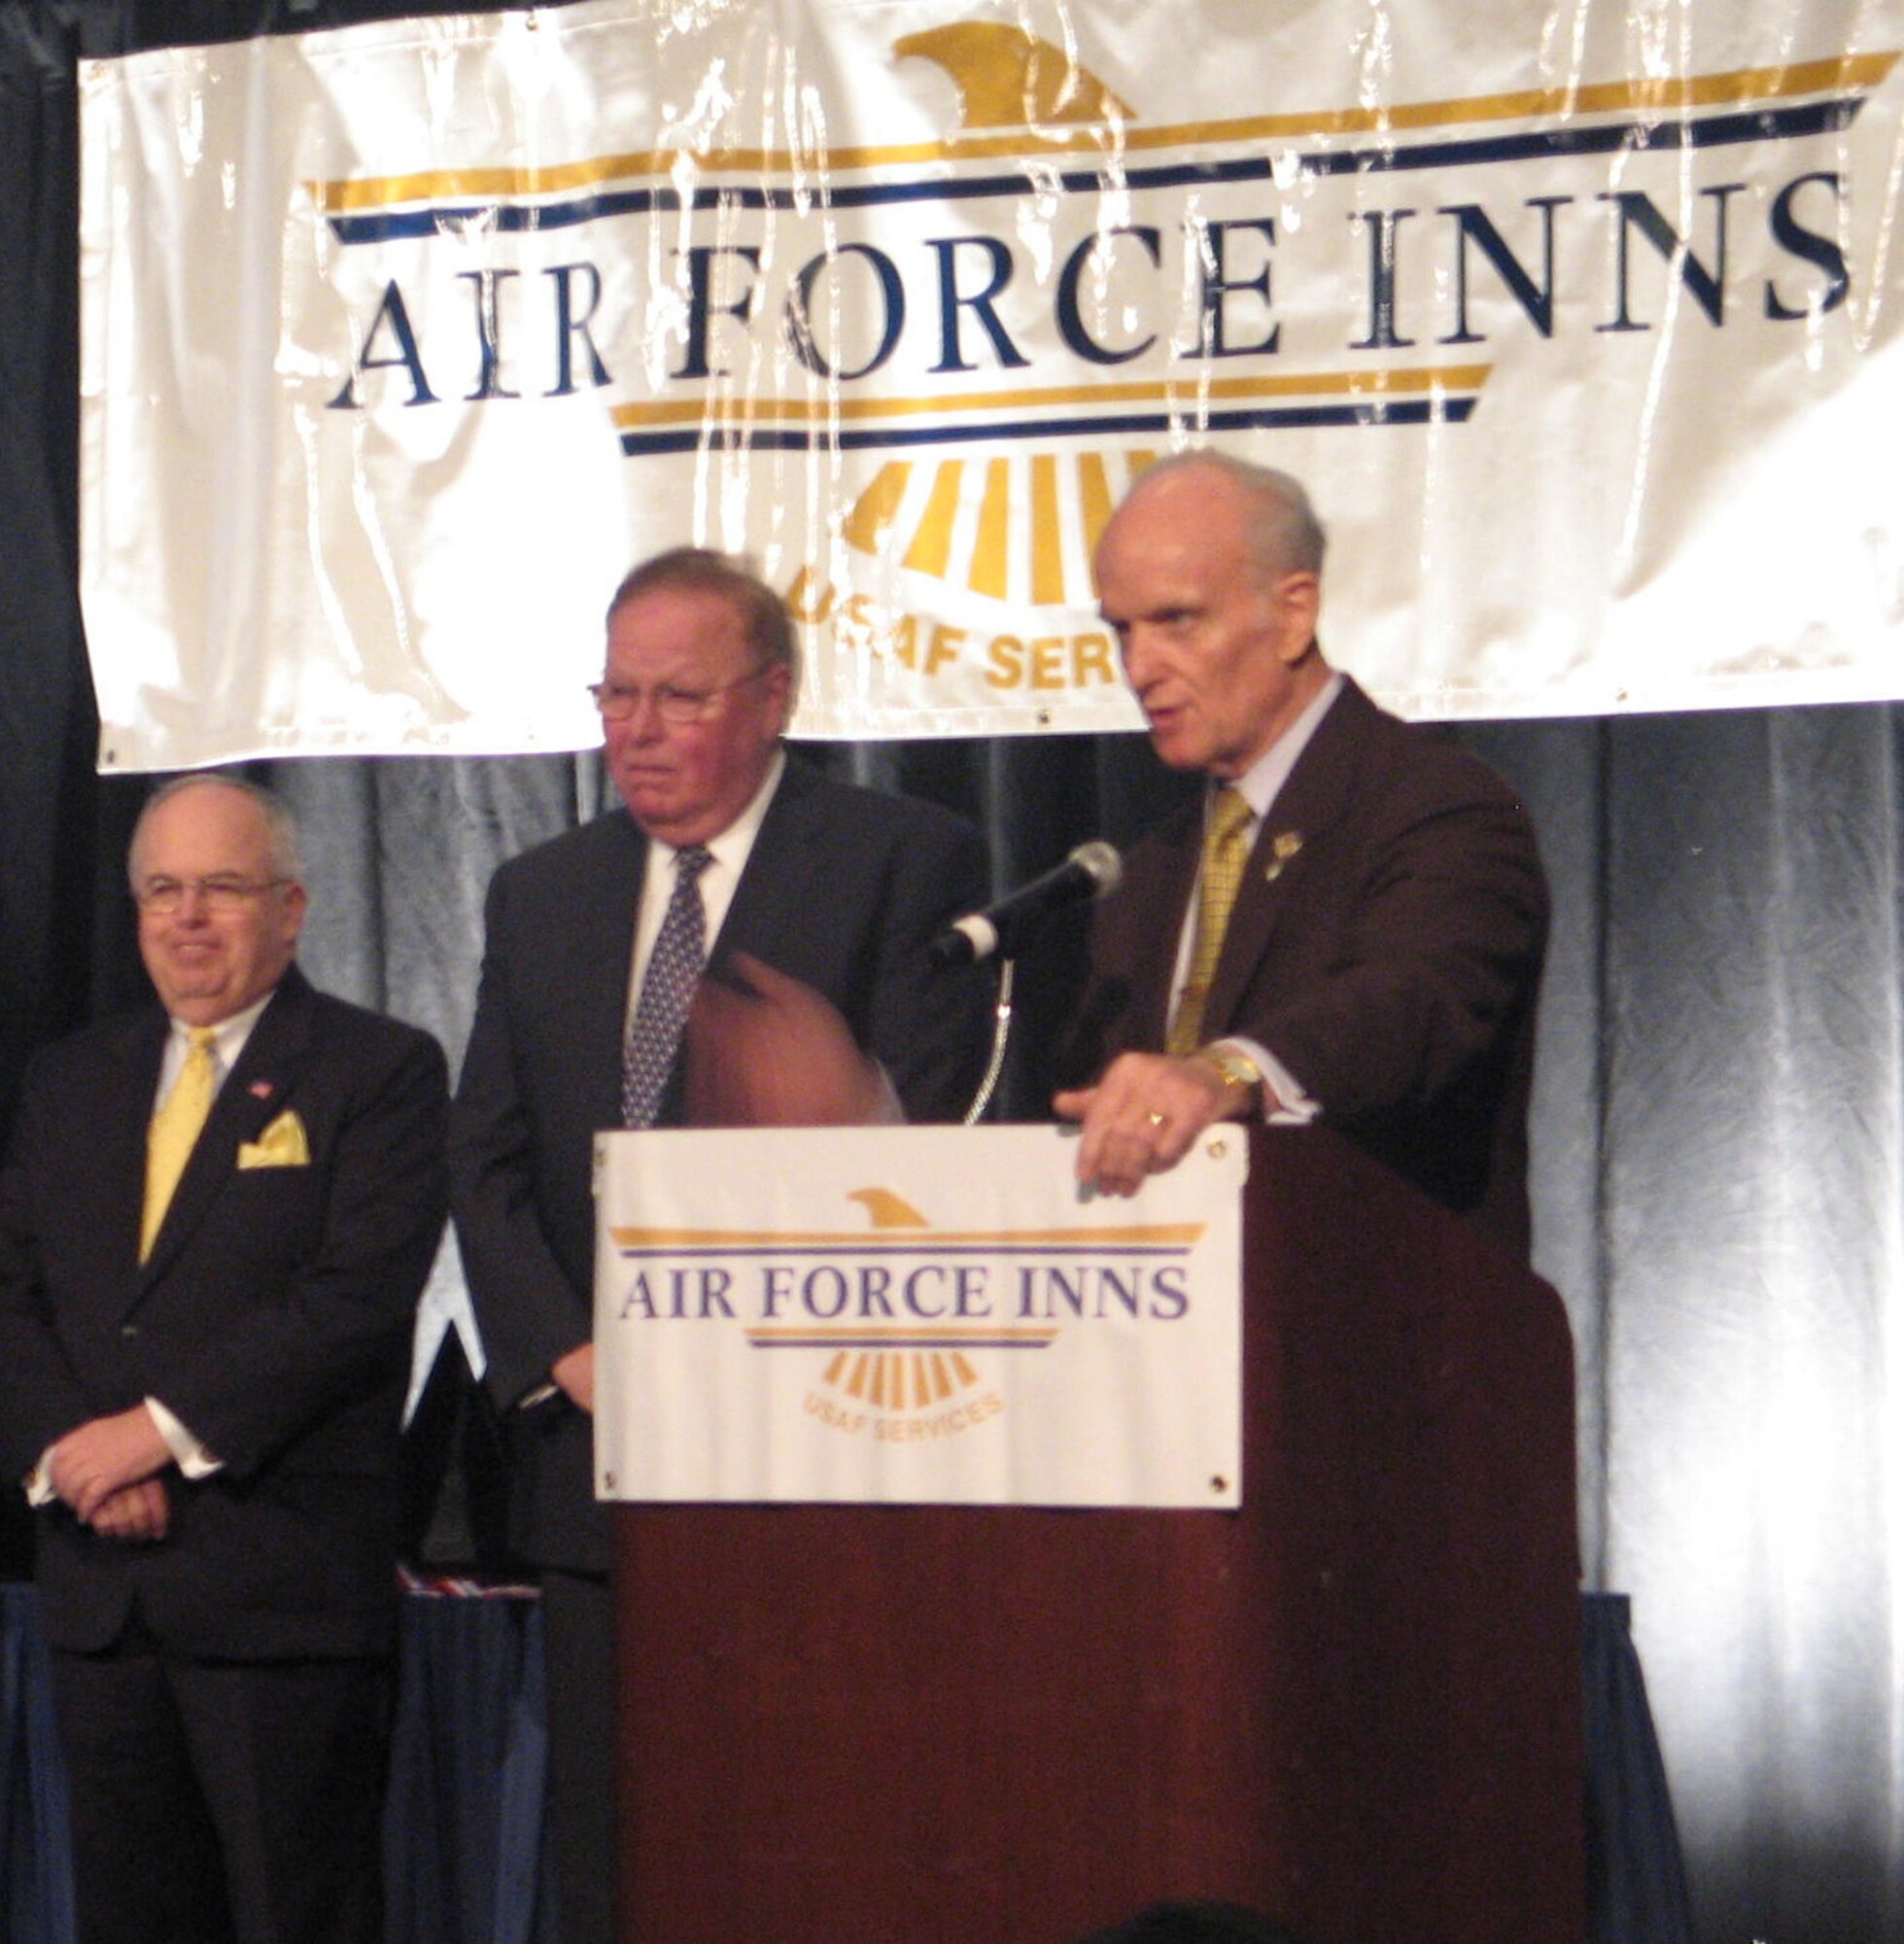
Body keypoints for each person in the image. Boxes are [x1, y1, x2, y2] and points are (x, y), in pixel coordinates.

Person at [448, 545, 991, 1944]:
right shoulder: (542, 891)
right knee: (614, 1853)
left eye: (674, 698)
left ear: (772, 698)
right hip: (598, 1460)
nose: (632, 730)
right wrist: (569, 1355)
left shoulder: (901, 862)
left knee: (815, 1843)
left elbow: (927, 1141)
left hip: (810, 1455)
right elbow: (487, 1159)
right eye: (614, 693)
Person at [0, 773, 449, 1944]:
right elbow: (13, 1294)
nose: (187, 917)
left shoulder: (380, 1070)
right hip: (102, 1595)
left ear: (292, 907)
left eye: (222, 887)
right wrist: (78, 1456)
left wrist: (155, 1433)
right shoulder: (68, 1079)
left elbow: (353, 1300)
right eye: (162, 889)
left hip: (277, 1595)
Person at [1055, 452, 1547, 1258]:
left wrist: (1229, 1074)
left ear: (1292, 614)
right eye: (1121, 629)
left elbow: (1411, 1005)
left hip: (1372, 1325)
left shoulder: (1435, 807)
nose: (1139, 669)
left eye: (1176, 620)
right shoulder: (1148, 871)